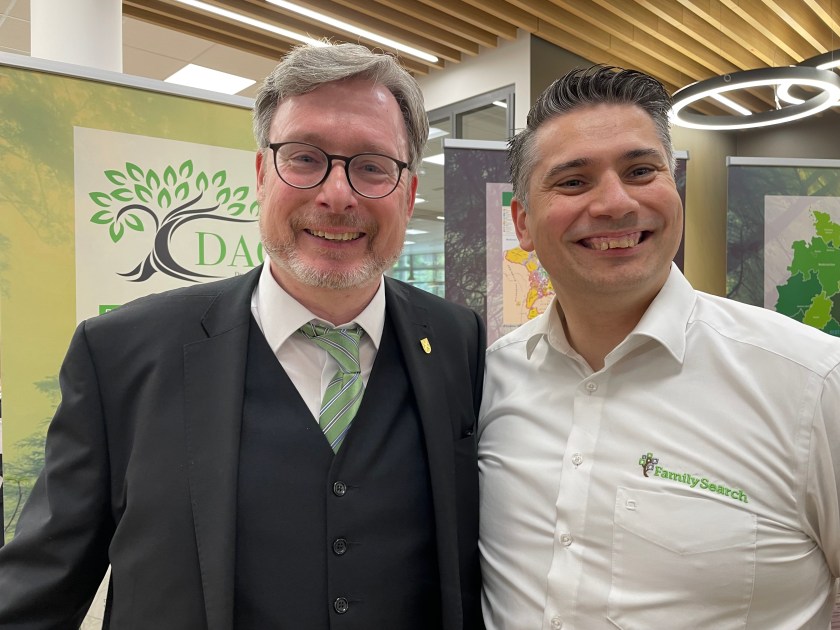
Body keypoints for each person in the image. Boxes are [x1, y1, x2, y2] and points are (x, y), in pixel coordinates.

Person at [0, 43, 485, 629]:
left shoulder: (457, 341)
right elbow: (40, 588)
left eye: (372, 166)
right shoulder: (122, 355)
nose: (337, 194)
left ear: (407, 194)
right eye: (304, 158)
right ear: (261, 175)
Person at [478, 65, 840, 629]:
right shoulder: (489, 381)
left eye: (641, 171)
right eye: (573, 181)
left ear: (675, 189)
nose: (615, 203)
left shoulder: (813, 385)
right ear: (522, 223)